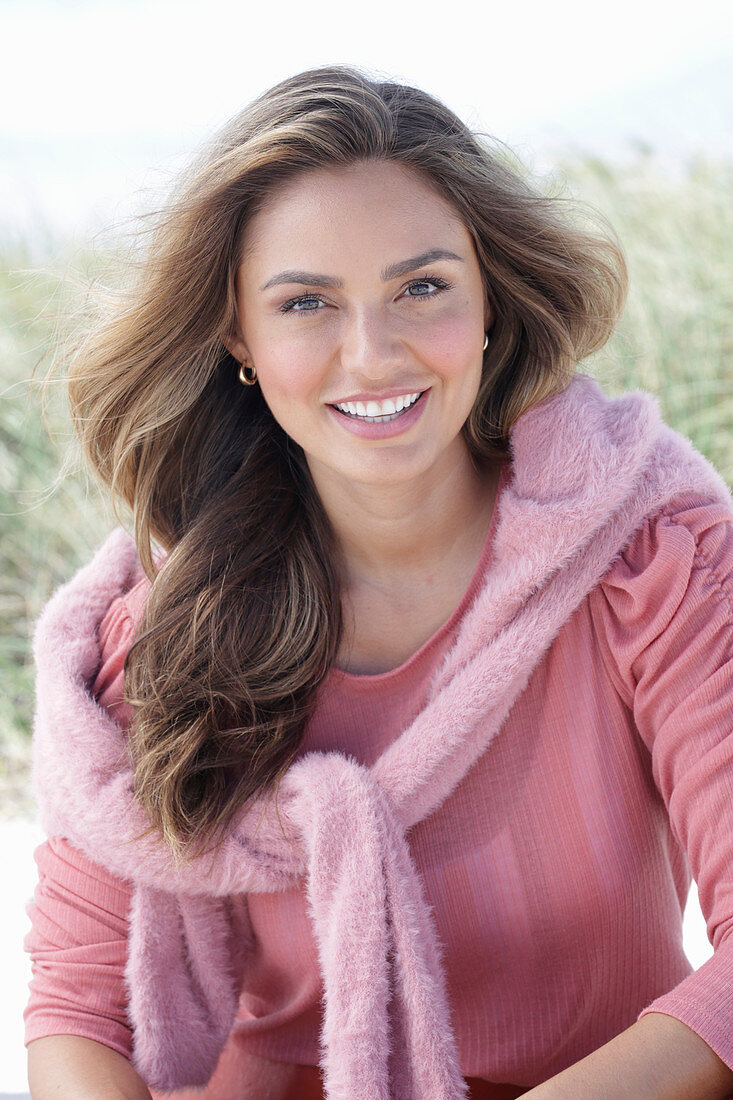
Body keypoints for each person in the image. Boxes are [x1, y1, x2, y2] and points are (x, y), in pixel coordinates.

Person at [23, 65, 733, 1100]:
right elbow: (75, 1011)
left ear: (489, 297)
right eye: (306, 302)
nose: (372, 351)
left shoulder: (651, 558)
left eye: (422, 286)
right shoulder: (165, 626)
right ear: (240, 340)